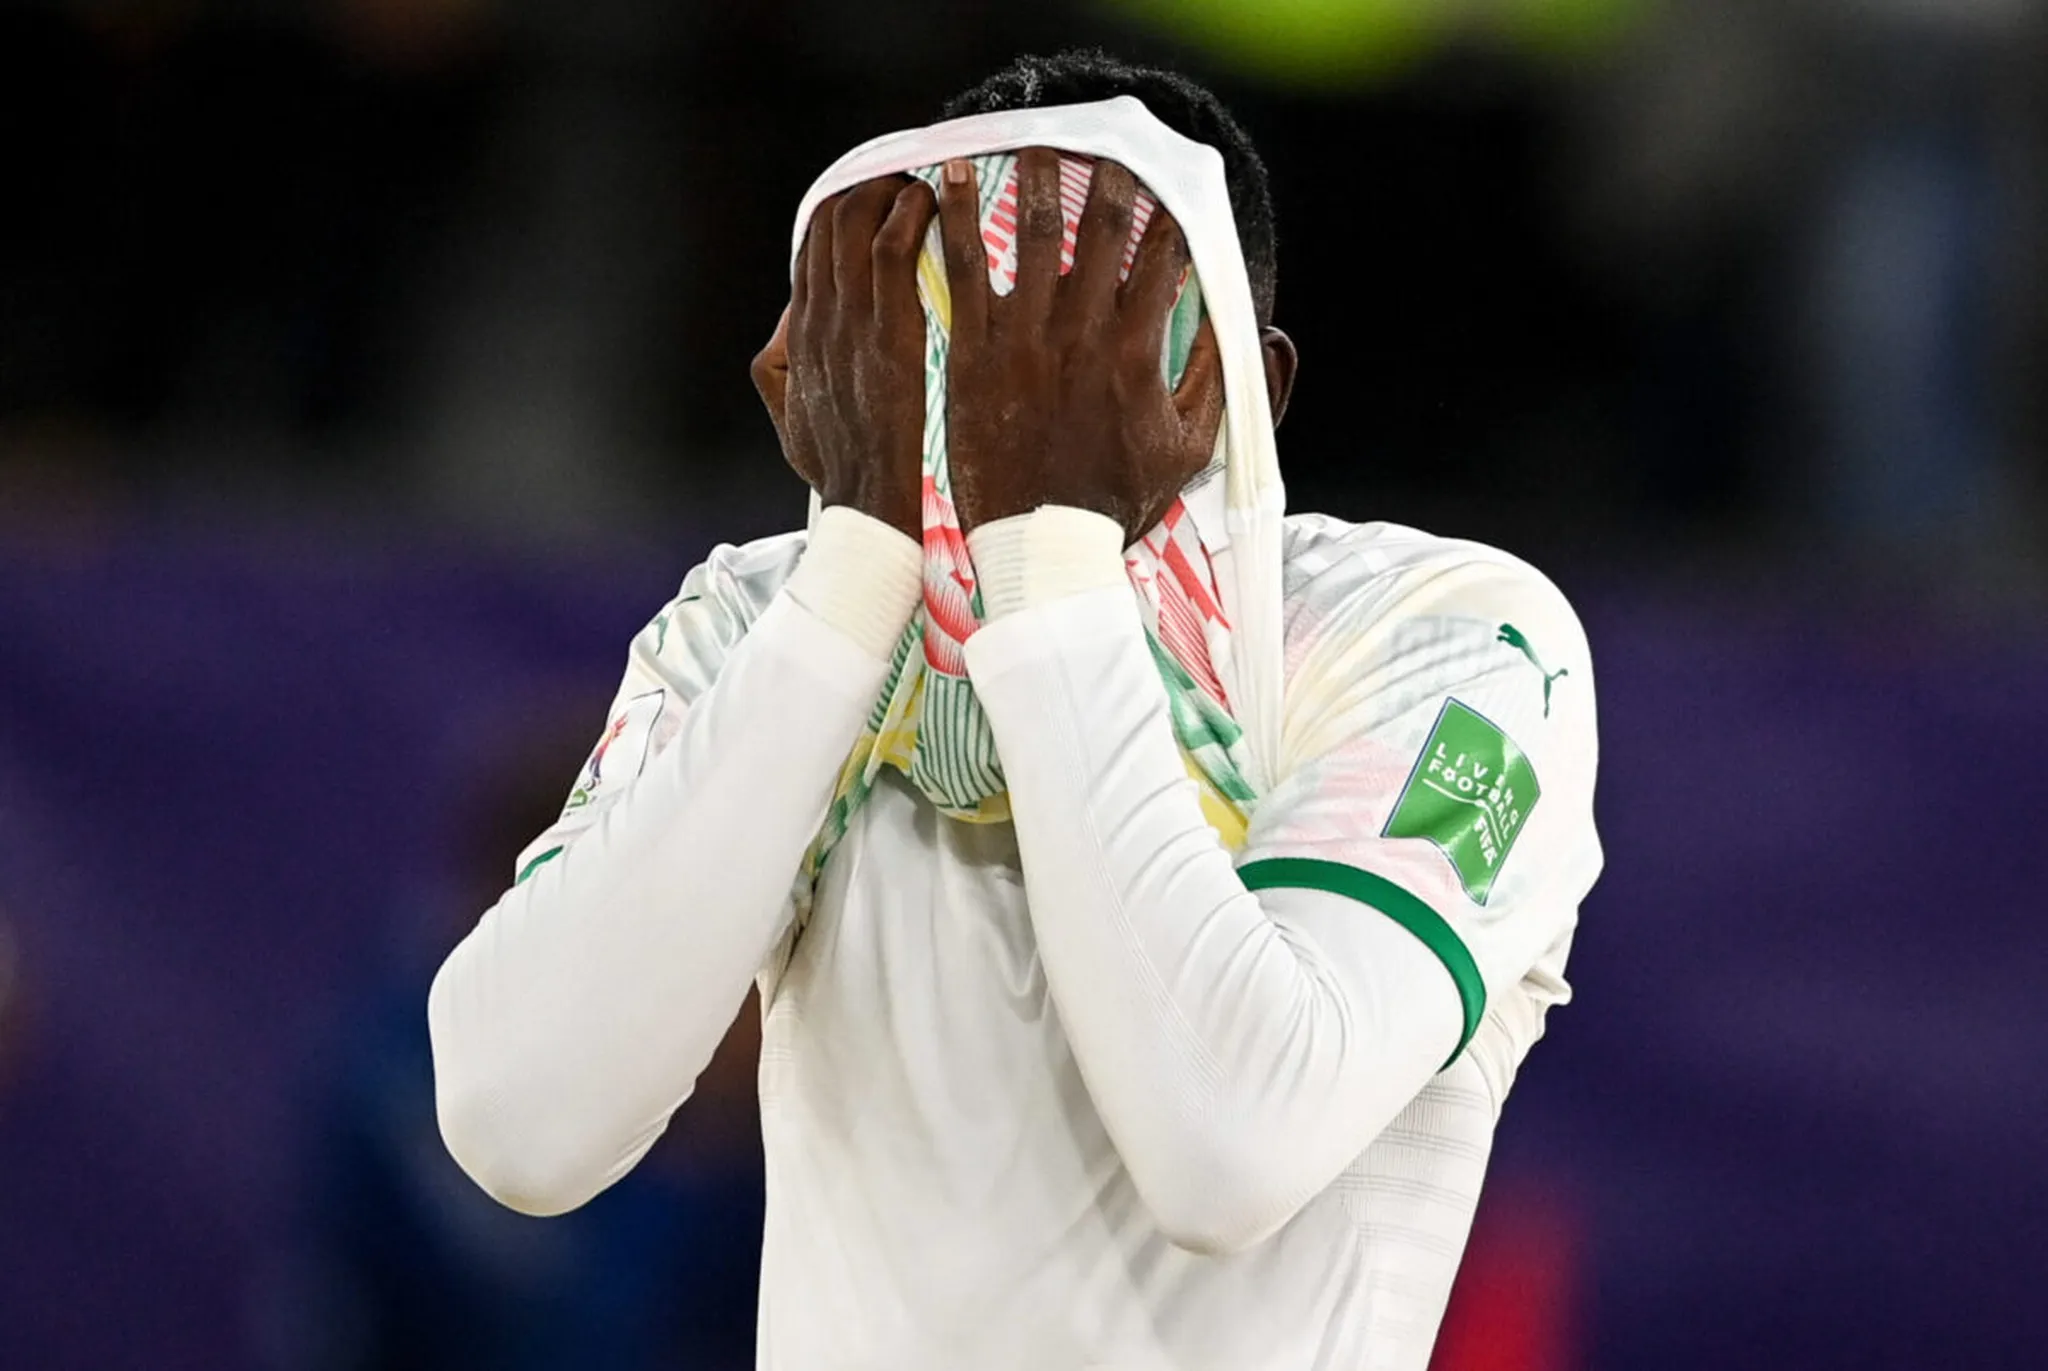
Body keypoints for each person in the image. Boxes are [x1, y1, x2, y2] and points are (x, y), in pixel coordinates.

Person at [429, 50, 1602, 1371]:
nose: (1005, 417)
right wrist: (850, 580)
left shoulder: (1458, 645)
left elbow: (1229, 1144)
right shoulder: (766, 623)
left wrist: (1050, 558)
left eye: (1075, 359)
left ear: (1243, 389)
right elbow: (520, 1127)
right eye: (963, 348)